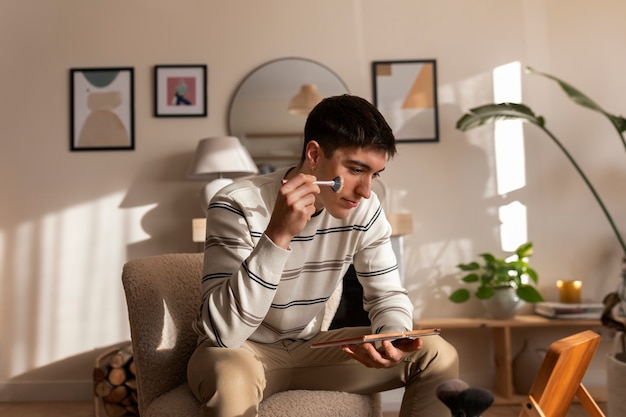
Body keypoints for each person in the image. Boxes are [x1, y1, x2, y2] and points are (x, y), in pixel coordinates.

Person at [187, 94, 458, 417]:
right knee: (231, 380)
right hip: (239, 352)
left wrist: (391, 336)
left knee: (439, 354)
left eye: (375, 174)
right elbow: (223, 332)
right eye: (357, 170)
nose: (366, 191)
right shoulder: (237, 204)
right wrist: (279, 234)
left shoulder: (366, 210)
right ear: (314, 154)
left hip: (311, 349)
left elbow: (387, 295)